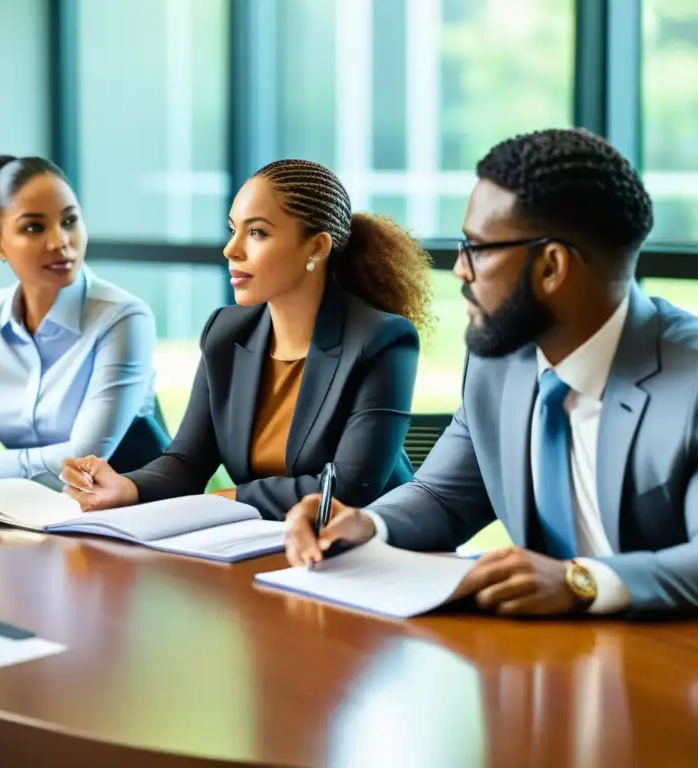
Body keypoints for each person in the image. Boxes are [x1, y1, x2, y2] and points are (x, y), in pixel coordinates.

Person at [285, 127, 698, 617]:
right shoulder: (498, 361)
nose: (460, 269)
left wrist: (579, 582)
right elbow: (442, 497)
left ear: (551, 267)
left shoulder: (687, 382)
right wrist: (364, 526)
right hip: (545, 663)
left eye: (475, 248)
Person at [61, 159, 434, 520]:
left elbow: (350, 487)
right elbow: (187, 461)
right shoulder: (226, 332)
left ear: (317, 248)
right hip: (264, 544)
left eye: (256, 232)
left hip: (371, 548)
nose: (231, 249)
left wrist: (225, 500)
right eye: (232, 229)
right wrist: (126, 487)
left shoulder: (381, 339)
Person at [0, 155, 165, 488]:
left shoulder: (124, 317)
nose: (60, 242)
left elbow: (85, 460)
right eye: (34, 227)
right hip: (33, 514)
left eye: (70, 221)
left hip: (131, 514)